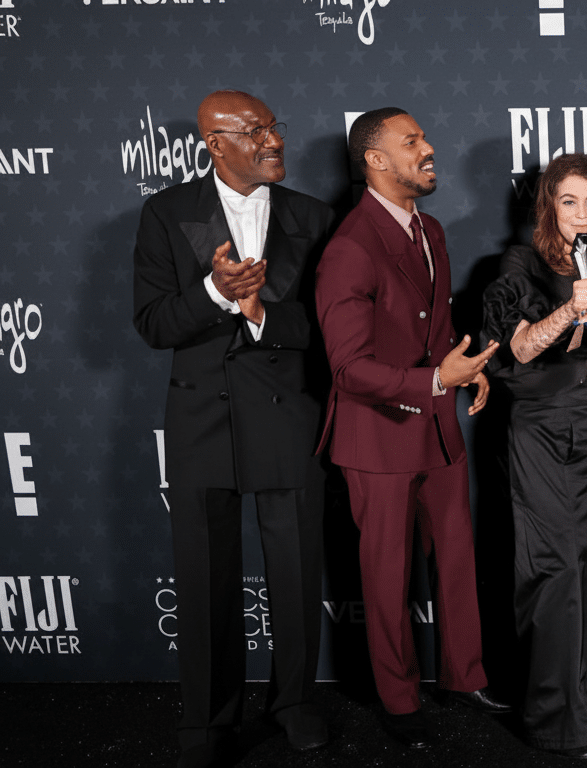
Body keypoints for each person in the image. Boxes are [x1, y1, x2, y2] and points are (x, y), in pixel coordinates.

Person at [132, 90, 333, 768]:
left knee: (296, 568)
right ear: (215, 144)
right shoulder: (165, 213)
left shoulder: (314, 216)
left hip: (287, 410)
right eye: (255, 131)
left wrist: (261, 314)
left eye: (274, 127)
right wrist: (216, 293)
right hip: (202, 418)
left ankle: (294, 703)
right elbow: (153, 324)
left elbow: (329, 327)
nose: (274, 140)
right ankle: (208, 722)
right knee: (204, 575)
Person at [314, 107, 508, 750]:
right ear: (375, 160)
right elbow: (348, 369)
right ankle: (399, 701)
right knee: (387, 576)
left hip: (439, 426)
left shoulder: (431, 228)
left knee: (456, 559)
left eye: (424, 137)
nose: (427, 148)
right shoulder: (349, 248)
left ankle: (465, 677)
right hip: (377, 437)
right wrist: (435, 381)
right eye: (411, 141)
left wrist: (464, 370)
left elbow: (432, 329)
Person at [481, 153, 587, 760]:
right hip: (542, 425)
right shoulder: (520, 264)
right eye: (569, 202)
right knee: (552, 568)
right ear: (548, 208)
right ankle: (559, 719)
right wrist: (570, 310)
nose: (582, 215)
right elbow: (522, 350)